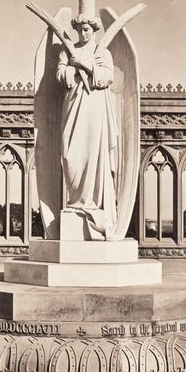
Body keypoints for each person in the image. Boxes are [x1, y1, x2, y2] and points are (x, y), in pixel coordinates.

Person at [56, 14, 119, 240]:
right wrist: (72, 69)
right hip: (73, 107)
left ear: (93, 30)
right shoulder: (67, 50)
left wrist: (86, 63)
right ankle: (75, 202)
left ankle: (90, 202)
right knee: (70, 155)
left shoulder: (102, 52)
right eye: (79, 30)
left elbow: (106, 78)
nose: (82, 34)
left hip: (94, 110)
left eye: (86, 30)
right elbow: (61, 76)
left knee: (93, 155)